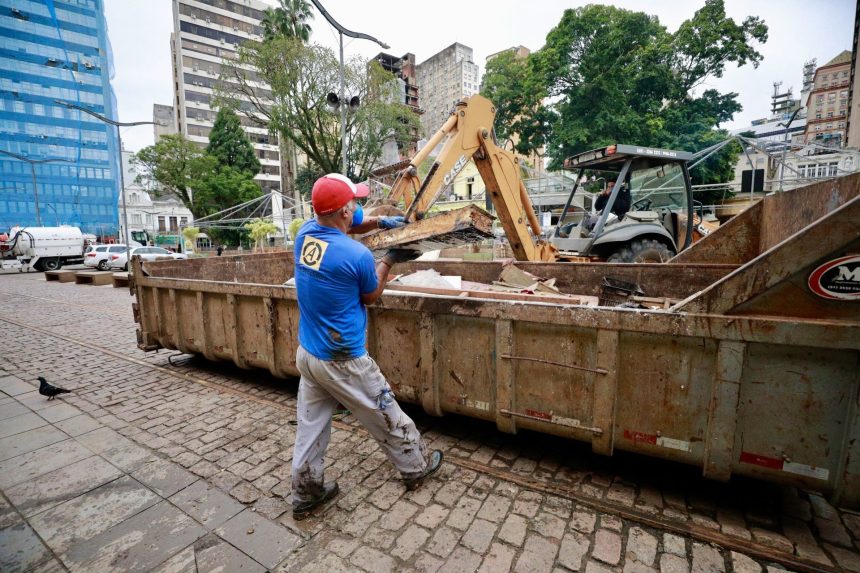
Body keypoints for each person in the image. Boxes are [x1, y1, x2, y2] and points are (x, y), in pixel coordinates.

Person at [290, 173, 443, 520]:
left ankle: (306, 492)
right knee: (383, 411)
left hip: (309, 354)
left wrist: (380, 221)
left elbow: (352, 223)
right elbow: (371, 295)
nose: (357, 207)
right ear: (343, 210)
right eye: (354, 203)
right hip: (343, 359)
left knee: (311, 427)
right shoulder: (357, 256)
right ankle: (416, 466)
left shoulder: (304, 235)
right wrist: (389, 259)